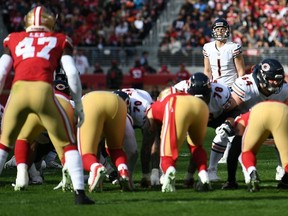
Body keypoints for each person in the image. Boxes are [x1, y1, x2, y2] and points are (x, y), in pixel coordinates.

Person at [0, 6, 94, 204]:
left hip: (17, 92)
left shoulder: (14, 38)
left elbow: (1, 72)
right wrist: (77, 104)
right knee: (68, 144)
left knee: (4, 143)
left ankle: (21, 175)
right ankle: (79, 193)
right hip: (43, 91)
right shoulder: (59, 39)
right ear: (50, 21)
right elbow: (72, 74)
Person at [222, 58, 288, 190]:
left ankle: (282, 177)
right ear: (262, 76)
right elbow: (231, 107)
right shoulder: (246, 84)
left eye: (278, 79)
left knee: (246, 150)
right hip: (253, 121)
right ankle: (229, 179)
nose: (276, 83)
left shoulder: (284, 89)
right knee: (233, 144)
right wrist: (229, 121)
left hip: (258, 120)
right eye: (272, 79)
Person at [173, 72, 240, 184]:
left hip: (216, 117)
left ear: (210, 92)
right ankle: (166, 172)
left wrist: (228, 124)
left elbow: (234, 111)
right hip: (191, 118)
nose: (200, 102)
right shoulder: (178, 90)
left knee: (230, 135)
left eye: (203, 97)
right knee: (178, 141)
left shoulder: (221, 93)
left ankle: (212, 170)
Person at [146, 89, 211, 192]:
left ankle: (169, 170)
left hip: (176, 105)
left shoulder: (159, 103)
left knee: (167, 153)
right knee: (196, 146)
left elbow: (151, 130)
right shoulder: (186, 95)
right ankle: (204, 174)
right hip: (200, 104)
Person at [77, 91, 131, 192]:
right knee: (116, 149)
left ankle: (96, 168)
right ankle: (123, 170)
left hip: (90, 102)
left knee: (85, 153)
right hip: (118, 102)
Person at [241, 101, 288, 192]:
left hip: (258, 113)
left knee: (247, 151)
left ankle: (251, 170)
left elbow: (238, 129)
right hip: (282, 111)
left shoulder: (242, 118)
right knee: (286, 158)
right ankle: (285, 180)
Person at [203, 18, 245, 87]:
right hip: (214, 86)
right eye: (217, 29)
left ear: (227, 31)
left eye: (222, 29)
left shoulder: (234, 47)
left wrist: (239, 87)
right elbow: (207, 70)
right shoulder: (207, 47)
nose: (220, 32)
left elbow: (241, 71)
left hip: (230, 86)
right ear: (214, 31)